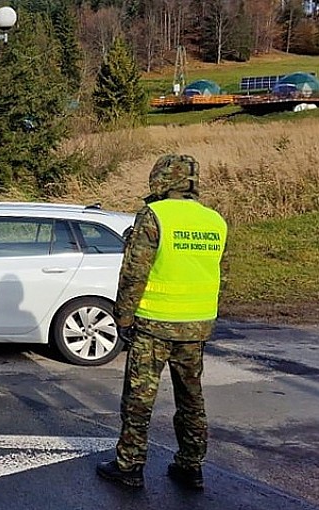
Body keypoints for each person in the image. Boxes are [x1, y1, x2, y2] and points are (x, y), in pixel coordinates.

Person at [96, 154, 228, 490]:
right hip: (196, 324)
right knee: (191, 397)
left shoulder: (154, 216)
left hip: (155, 323)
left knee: (139, 399)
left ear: (160, 179)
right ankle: (191, 465)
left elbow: (134, 272)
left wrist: (123, 316)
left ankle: (129, 466)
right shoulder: (214, 220)